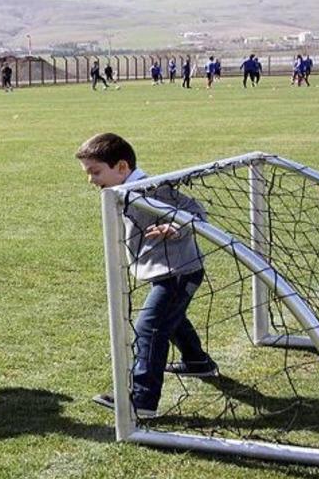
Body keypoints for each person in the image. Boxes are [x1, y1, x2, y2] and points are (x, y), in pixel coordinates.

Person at [76, 133, 218, 418]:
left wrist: (176, 227)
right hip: (164, 269)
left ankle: (142, 401)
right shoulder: (123, 189)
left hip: (180, 271)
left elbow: (197, 211)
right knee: (171, 319)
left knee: (149, 327)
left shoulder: (152, 188)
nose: (90, 180)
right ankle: (197, 363)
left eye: (95, 172)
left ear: (121, 167)